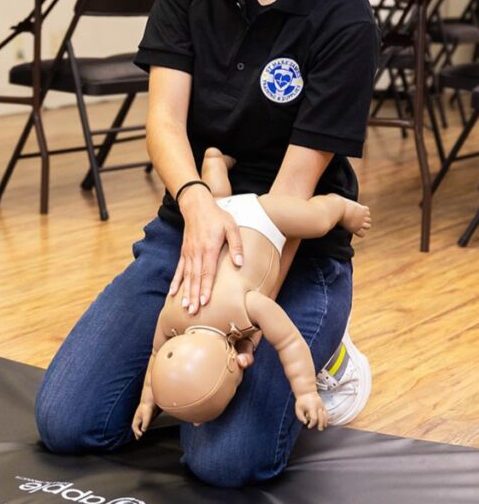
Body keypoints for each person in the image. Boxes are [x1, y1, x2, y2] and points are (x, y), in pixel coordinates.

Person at [35, 0, 383, 487]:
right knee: (66, 422)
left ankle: (333, 359)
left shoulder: (343, 17)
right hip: (192, 229)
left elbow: (291, 199)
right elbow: (163, 122)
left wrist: (236, 323)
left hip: (290, 246)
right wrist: (195, 205)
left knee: (225, 461)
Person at [131, 148, 371, 433]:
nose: (195, 425)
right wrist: (148, 402)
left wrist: (306, 392)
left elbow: (289, 342)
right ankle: (214, 161)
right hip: (219, 211)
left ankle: (340, 206)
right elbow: (158, 356)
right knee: (219, 198)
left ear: (233, 363)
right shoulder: (172, 317)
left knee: (317, 220)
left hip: (264, 216)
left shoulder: (245, 307)